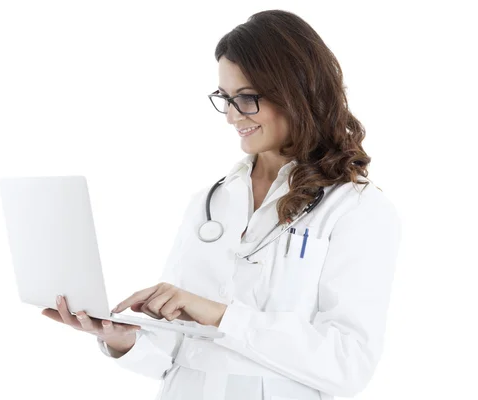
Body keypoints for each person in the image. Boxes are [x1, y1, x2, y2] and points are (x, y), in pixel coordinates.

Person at [42, 9, 402, 400]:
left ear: (297, 92)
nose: (231, 116)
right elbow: (175, 355)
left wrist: (219, 314)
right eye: (225, 98)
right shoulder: (211, 202)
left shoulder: (356, 209)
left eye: (246, 98)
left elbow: (348, 363)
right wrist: (121, 338)